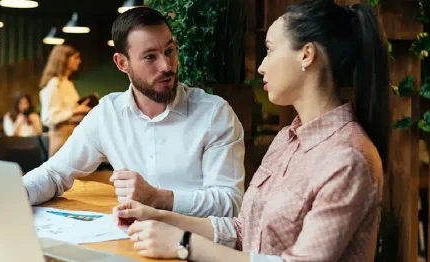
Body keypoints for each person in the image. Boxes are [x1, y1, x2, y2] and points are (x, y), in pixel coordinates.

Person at [113, 0, 389, 261]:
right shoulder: (288, 139)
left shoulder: (346, 159)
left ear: (306, 55)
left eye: (269, 50)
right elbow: (245, 230)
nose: (261, 66)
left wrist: (183, 244)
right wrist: (156, 217)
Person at [22, 7, 246, 218]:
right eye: (150, 57)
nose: (166, 66)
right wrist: (13, 195)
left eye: (169, 51)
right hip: (130, 241)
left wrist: (159, 198)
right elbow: (54, 174)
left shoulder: (214, 114)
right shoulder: (108, 114)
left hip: (195, 246)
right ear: (122, 63)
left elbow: (230, 204)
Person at [38, 44, 92, 157]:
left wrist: (83, 110)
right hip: (60, 137)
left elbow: (69, 112)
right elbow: (48, 118)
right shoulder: (54, 84)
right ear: (64, 59)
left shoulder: (68, 83)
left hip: (73, 134)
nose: (79, 61)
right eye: (75, 58)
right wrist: (75, 111)